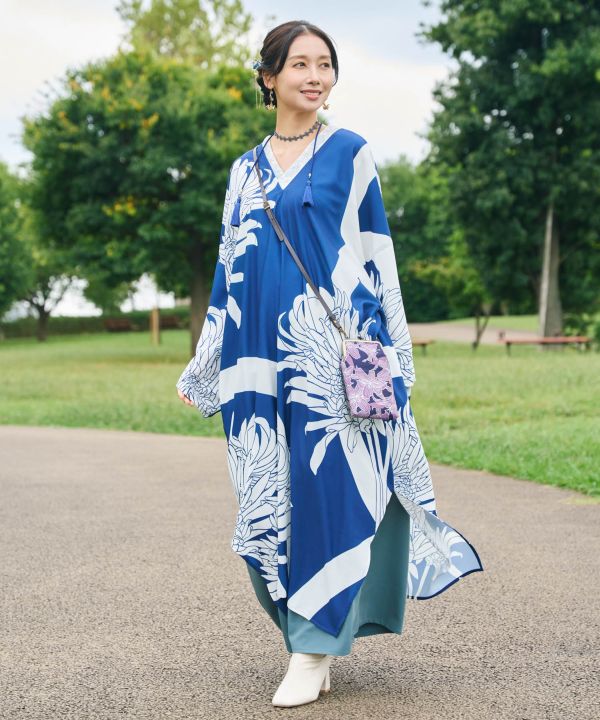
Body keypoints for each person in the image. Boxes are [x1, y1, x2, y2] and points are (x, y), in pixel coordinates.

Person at [176, 19, 483, 708]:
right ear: (269, 77)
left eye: (325, 64)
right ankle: (301, 627)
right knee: (265, 496)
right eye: (299, 64)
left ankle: (313, 647)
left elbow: (379, 259)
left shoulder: (351, 152)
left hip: (338, 361)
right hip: (256, 358)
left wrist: (396, 359)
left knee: (334, 490)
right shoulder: (243, 171)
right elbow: (229, 271)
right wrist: (206, 364)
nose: (315, 76)